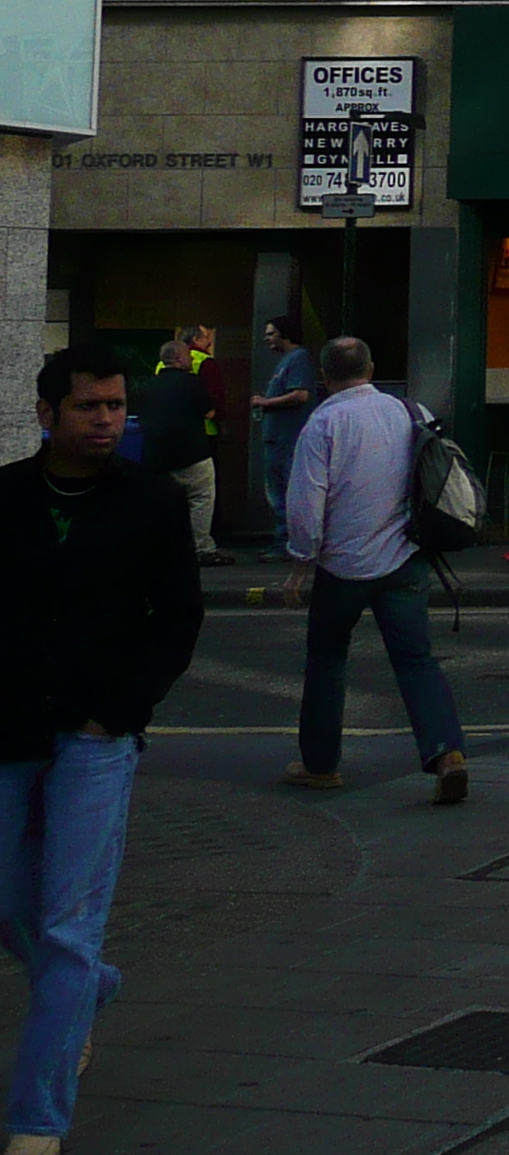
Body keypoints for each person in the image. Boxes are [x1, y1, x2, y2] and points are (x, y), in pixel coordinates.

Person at [2, 346, 202, 1155]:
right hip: (6, 730)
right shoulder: (6, 496)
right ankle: (83, 993)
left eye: (117, 407)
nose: (107, 421)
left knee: (70, 928)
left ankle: (36, 1122)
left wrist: (116, 714)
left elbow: (178, 618)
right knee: (15, 909)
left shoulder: (152, 502)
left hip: (97, 738)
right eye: (89, 407)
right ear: (47, 413)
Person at [283, 337, 467, 806]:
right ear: (371, 367)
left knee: (327, 659)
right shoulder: (410, 411)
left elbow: (307, 507)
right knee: (416, 659)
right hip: (405, 558)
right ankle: (447, 753)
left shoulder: (323, 423)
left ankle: (320, 765)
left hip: (342, 567)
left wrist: (300, 566)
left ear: (325, 377)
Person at [133, 339, 230, 566]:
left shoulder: (147, 386)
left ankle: (160, 549)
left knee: (160, 505)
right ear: (179, 358)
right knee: (201, 499)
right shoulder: (192, 383)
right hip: (191, 454)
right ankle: (201, 548)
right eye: (187, 355)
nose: (190, 358)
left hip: (155, 458)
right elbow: (209, 412)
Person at [248, 316, 316, 544]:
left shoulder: (298, 359)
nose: (266, 338)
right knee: (279, 493)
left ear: (284, 334)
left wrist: (265, 402)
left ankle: (289, 543)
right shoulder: (288, 360)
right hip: (278, 438)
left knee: (283, 494)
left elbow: (300, 395)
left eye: (270, 333)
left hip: (286, 439)